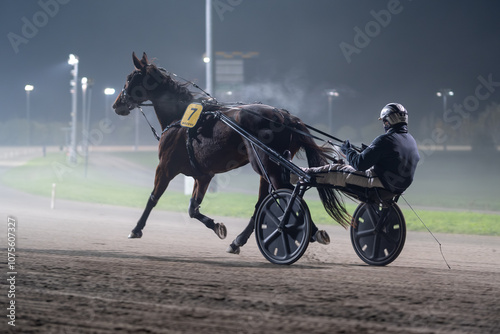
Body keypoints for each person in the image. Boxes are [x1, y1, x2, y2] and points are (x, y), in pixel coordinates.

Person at [301, 103, 420, 195]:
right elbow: (392, 158)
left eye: (384, 121)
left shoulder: (385, 139)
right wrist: (368, 151)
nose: (384, 124)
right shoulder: (411, 140)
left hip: (379, 182)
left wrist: (348, 150)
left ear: (388, 121)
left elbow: (359, 165)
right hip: (398, 186)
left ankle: (297, 174)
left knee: (336, 170)